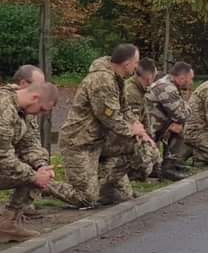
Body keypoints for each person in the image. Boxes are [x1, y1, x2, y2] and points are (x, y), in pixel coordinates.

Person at [58, 44, 154, 206]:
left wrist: (139, 130)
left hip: (100, 141)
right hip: (80, 143)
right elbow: (109, 117)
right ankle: (42, 184)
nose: (137, 66)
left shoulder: (117, 79)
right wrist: (132, 130)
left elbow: (124, 109)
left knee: (125, 194)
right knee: (86, 198)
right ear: (127, 64)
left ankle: (105, 187)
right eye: (136, 62)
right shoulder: (102, 81)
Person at [1, 82, 92, 241]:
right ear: (35, 97)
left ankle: (7, 225)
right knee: (33, 175)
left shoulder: (26, 111)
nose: (40, 114)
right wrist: (34, 176)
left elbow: (30, 144)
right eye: (42, 109)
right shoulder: (4, 109)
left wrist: (42, 166)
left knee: (38, 172)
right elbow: (3, 157)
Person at [145, 63, 194, 181]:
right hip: (149, 127)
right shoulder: (167, 87)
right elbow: (184, 115)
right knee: (181, 126)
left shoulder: (169, 83)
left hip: (156, 124)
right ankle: (167, 168)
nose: (191, 82)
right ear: (182, 78)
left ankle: (171, 163)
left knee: (178, 125)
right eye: (190, 79)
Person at [118, 58, 162, 182]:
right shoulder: (131, 92)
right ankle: (132, 172)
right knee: (147, 160)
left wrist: (151, 138)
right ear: (149, 77)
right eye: (152, 78)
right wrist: (148, 143)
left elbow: (146, 119)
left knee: (154, 155)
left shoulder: (140, 89)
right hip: (125, 136)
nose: (152, 82)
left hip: (132, 133)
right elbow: (133, 124)